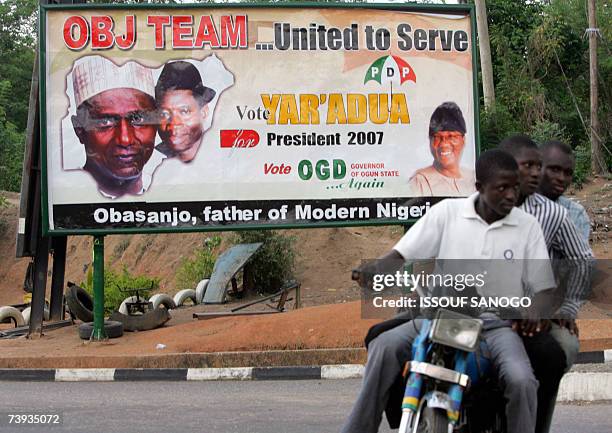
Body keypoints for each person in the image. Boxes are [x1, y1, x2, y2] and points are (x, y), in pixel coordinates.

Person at [341, 149, 555, 433]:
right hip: (440, 317)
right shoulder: (447, 213)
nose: (510, 195)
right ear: (479, 188)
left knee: (522, 381)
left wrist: (534, 310)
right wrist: (374, 269)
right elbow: (402, 253)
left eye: (515, 187)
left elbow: (544, 288)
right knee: (385, 346)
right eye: (501, 188)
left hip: (496, 327)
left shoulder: (527, 226)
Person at [499, 135, 593, 433]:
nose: (559, 178)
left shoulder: (569, 214)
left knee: (558, 351)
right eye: (552, 168)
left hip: (544, 311)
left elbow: (578, 267)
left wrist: (565, 308)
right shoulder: (493, 200)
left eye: (567, 173)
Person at [70, 56, 159, 198]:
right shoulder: (68, 196)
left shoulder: (167, 193)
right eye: (106, 122)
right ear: (79, 130)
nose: (125, 139)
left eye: (138, 119)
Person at [407, 102, 475, 196]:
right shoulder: (421, 181)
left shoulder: (472, 177)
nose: (444, 144)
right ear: (430, 140)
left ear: (463, 140)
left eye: (451, 136)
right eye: (437, 137)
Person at [154, 61, 216, 162]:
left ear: (204, 113)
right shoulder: (150, 166)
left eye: (184, 111)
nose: (173, 124)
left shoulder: (227, 159)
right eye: (164, 114)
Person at [539, 140, 591, 242]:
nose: (562, 178)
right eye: (555, 170)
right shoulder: (513, 207)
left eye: (568, 173)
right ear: (537, 167)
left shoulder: (575, 214)